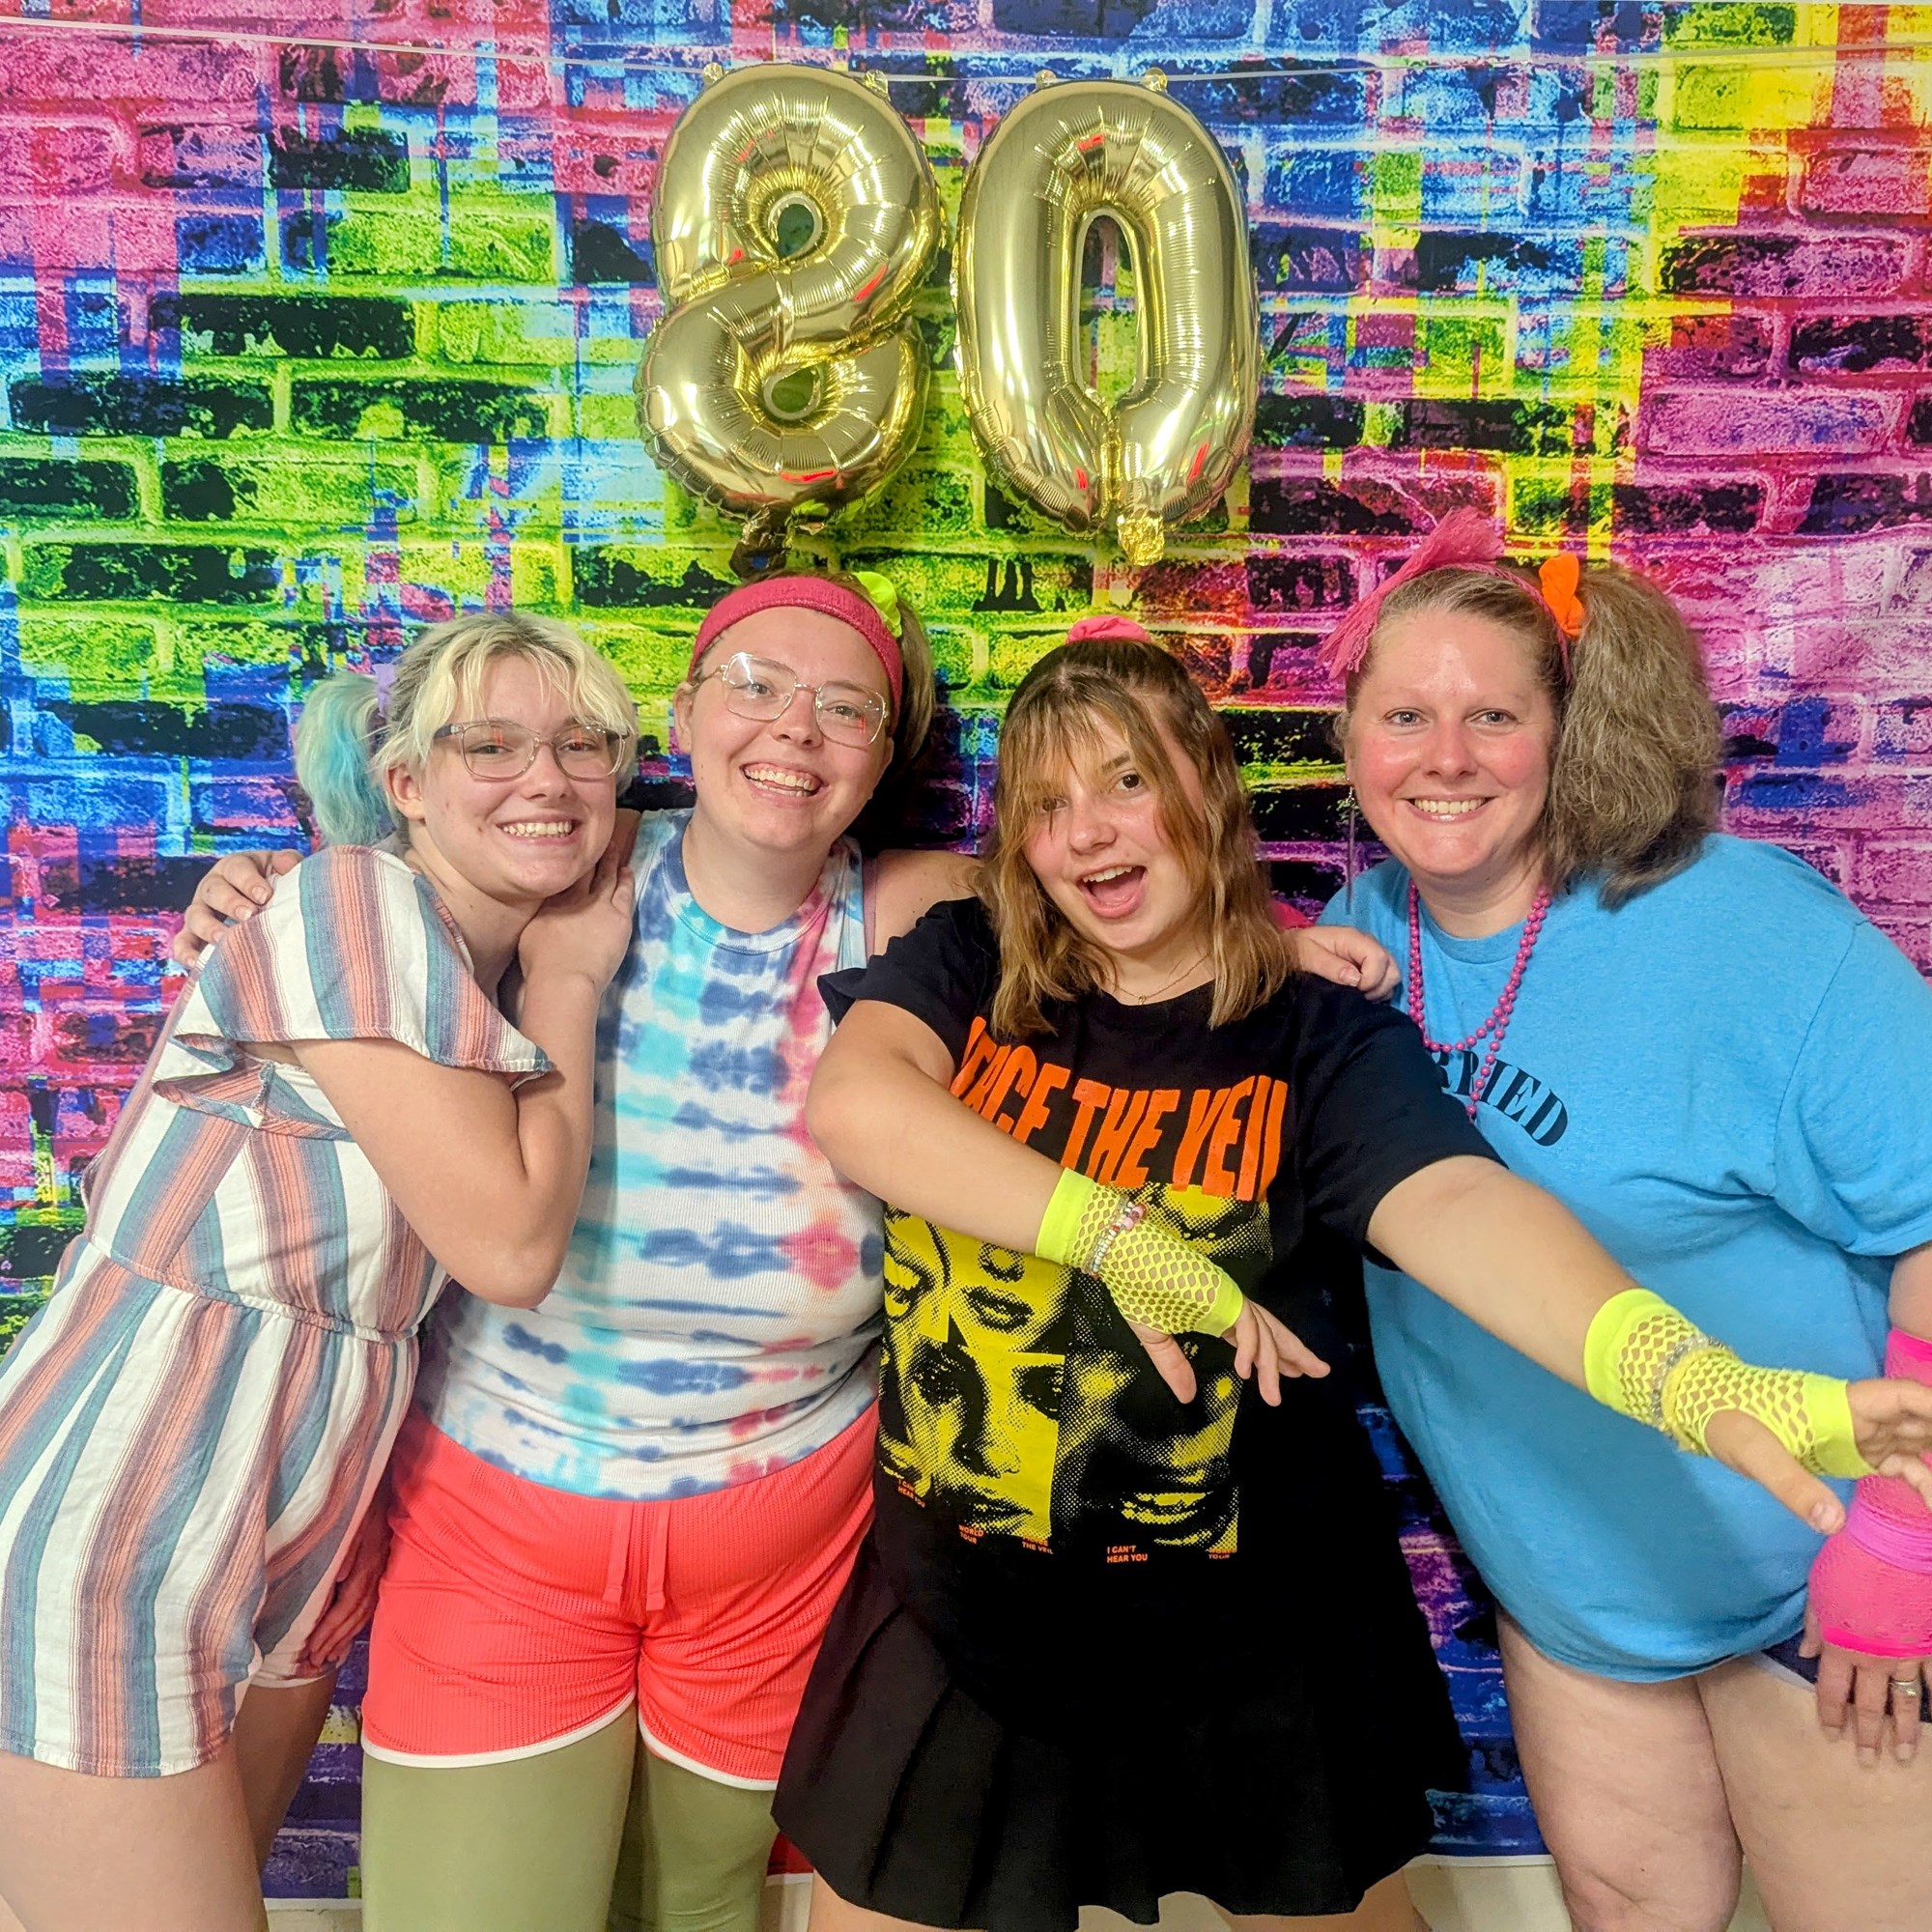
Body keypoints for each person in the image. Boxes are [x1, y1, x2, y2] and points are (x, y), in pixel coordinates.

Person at [173, 573, 1397, 1932]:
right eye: (755, 686)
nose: (795, 729)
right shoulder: (566, 867)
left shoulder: (910, 907)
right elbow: (395, 894)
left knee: (700, 1907)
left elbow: (1107, 896)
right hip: (507, 1514)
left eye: (845, 707)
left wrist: (1268, 945)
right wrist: (263, 887)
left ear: (883, 756)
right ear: (682, 714)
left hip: (783, 1538)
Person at [776, 620, 1932, 1932]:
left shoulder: (1319, 1028)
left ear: (1208, 785)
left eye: (1128, 782)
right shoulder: (972, 958)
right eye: (1047, 802)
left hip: (1243, 1636)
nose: (1087, 832)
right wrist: (1119, 1239)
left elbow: (1458, 1203)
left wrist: (1684, 1374)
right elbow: (860, 1104)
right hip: (965, 1616)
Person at [1321, 509, 1932, 1931]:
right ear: (1349, 739)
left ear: (1569, 728)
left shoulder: (1748, 932)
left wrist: (1901, 1538)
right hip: (1580, 1610)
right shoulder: (1362, 933)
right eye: (1404, 716)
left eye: (1493, 716)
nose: (1445, 757)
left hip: (1815, 1584)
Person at [0, 611, 639, 1932]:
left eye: (585, 745)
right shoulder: (356, 901)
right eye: (492, 745)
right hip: (131, 1506)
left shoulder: (462, 959)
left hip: (299, 1513)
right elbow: (510, 1247)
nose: (548, 776)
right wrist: (573, 981)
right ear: (404, 783)